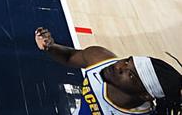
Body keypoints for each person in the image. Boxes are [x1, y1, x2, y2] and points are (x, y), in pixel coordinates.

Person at [35, 27, 181, 114]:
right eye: (127, 61)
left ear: (144, 95)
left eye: (130, 74)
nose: (119, 66)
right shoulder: (99, 58)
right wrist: (50, 47)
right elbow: (70, 57)